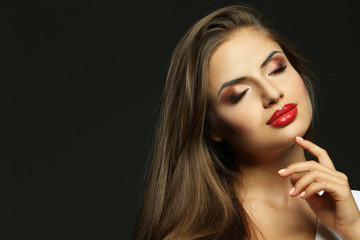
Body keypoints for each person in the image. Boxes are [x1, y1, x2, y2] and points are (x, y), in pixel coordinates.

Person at [133, 5, 360, 240]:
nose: (271, 93)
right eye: (239, 93)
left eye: (277, 69)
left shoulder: (354, 212)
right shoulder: (193, 235)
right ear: (212, 127)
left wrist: (354, 231)